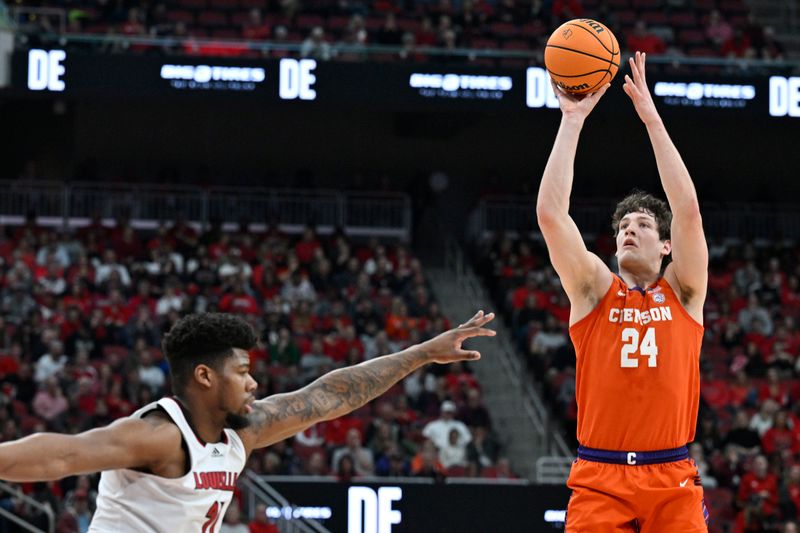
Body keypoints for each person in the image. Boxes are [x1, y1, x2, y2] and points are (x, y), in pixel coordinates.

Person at [0, 311, 495, 532]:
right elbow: (63, 453)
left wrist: (422, 353)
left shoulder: (245, 430)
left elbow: (328, 396)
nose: (254, 383)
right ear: (204, 377)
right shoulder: (159, 435)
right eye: (242, 372)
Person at [537, 51, 709, 531]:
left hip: (672, 477)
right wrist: (571, 120)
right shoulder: (593, 290)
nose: (629, 231)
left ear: (667, 245)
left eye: (644, 224)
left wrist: (652, 120)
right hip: (599, 476)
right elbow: (551, 216)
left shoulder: (685, 291)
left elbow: (689, 209)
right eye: (623, 227)